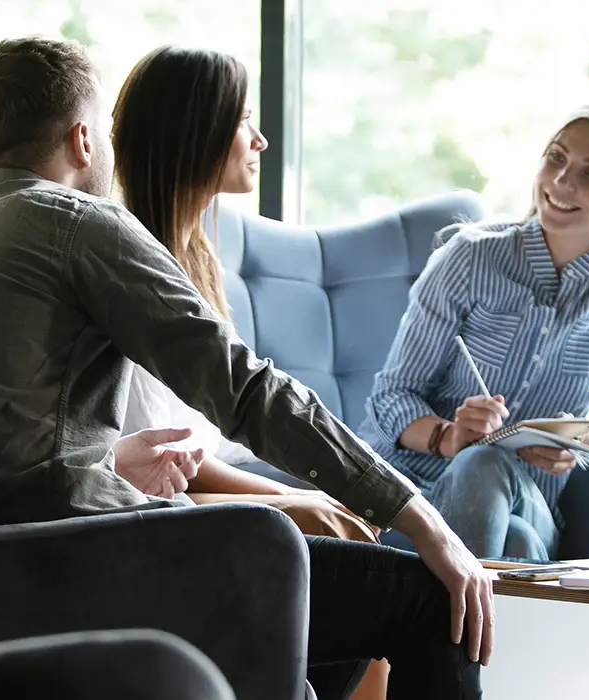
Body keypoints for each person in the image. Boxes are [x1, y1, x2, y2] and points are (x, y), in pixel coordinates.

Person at [0, 37, 492, 699]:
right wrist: (422, 518)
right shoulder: (76, 222)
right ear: (84, 141)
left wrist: (107, 458)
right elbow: (246, 390)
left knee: (331, 621)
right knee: (432, 601)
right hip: (85, 571)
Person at [109, 45, 385, 697]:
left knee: (366, 526)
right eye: (243, 122)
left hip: (221, 467)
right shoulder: (127, 259)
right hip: (167, 490)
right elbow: (174, 458)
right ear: (195, 134)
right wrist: (292, 499)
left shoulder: (192, 247)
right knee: (372, 578)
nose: (260, 139)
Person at [359, 99, 589, 561]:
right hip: (412, 496)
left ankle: (448, 633)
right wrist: (449, 437)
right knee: (517, 540)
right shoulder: (468, 257)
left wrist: (579, 441)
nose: (562, 181)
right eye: (557, 157)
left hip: (530, 500)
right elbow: (392, 395)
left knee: (493, 473)